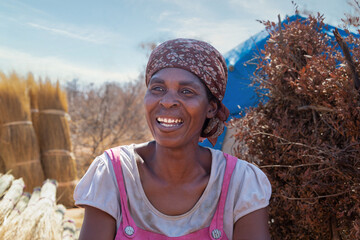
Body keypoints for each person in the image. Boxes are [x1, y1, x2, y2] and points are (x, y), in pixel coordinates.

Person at [74, 38, 272, 240]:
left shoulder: (240, 184)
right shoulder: (113, 174)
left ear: (211, 107)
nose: (167, 102)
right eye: (158, 88)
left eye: (187, 91)